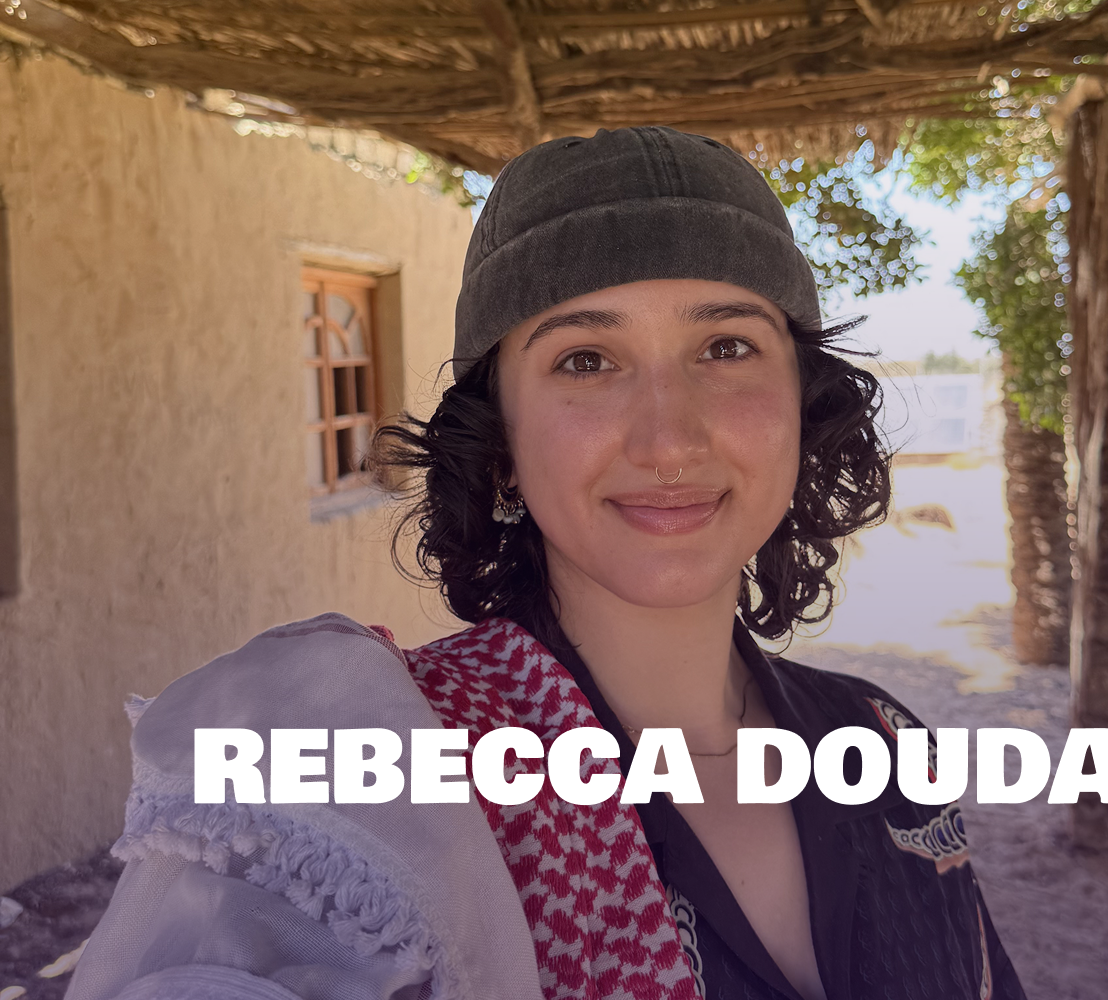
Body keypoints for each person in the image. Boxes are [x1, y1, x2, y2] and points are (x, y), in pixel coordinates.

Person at [68, 126, 1024, 1000]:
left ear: (802, 411)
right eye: (585, 361)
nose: (669, 437)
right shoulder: (382, 785)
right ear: (502, 447)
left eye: (725, 346)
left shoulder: (883, 741)